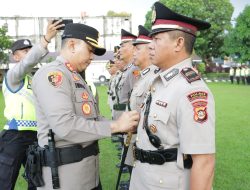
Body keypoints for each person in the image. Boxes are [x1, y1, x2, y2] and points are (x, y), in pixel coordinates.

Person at [31, 23, 139, 190]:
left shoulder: (75, 76)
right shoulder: (54, 75)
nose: (92, 57)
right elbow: (64, 125)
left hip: (87, 176)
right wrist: (115, 126)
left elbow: (93, 118)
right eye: (90, 50)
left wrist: (124, 126)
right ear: (72, 45)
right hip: (65, 180)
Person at [130, 2, 215, 190]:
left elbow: (204, 162)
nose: (150, 46)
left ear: (178, 43)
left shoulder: (191, 90)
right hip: (142, 179)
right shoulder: (159, 82)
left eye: (157, 39)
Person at [0, 20, 62, 190]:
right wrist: (45, 40)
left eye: (30, 51)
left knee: (36, 183)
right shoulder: (13, 76)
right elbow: (28, 62)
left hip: (35, 138)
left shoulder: (32, 80)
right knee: (5, 182)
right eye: (24, 52)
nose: (28, 54)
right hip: (14, 136)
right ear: (15, 56)